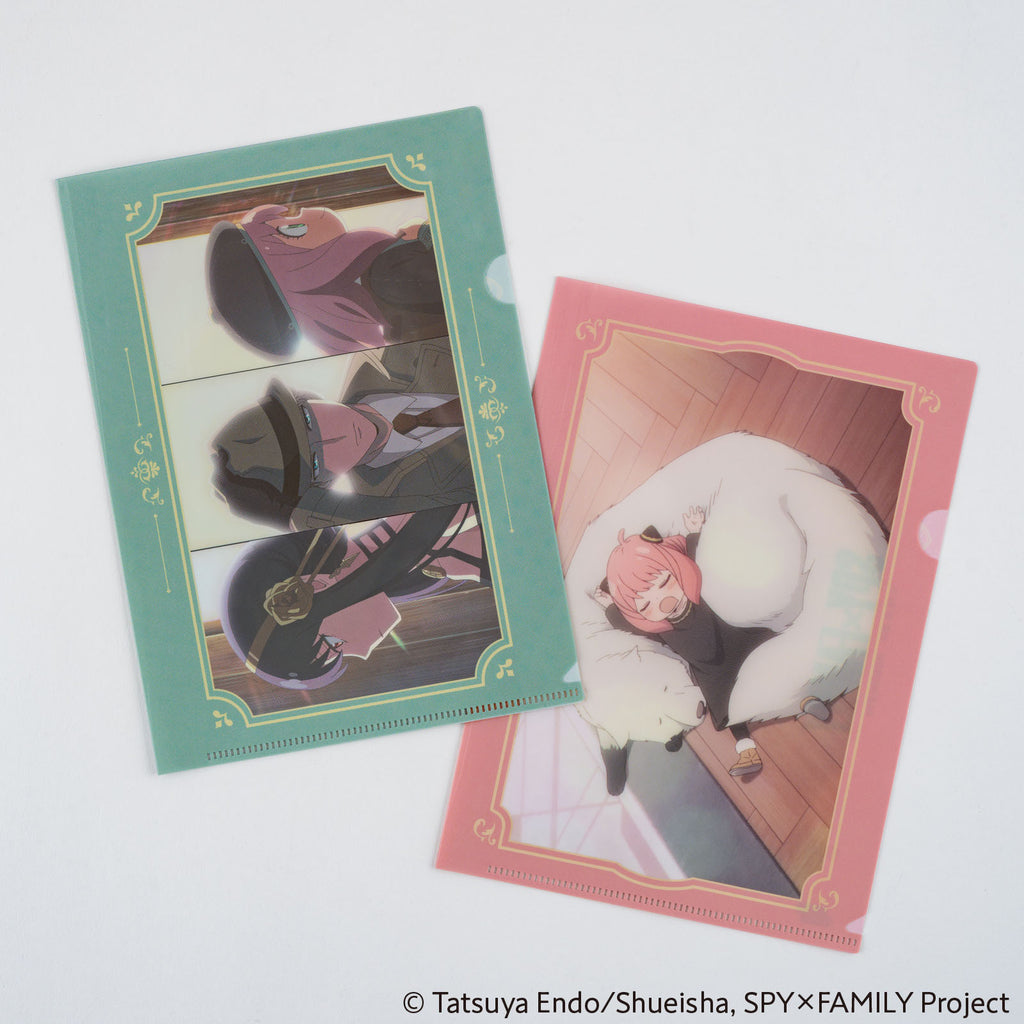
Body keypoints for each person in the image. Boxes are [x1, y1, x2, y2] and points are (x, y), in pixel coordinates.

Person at [211, 340, 476, 530]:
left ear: (308, 398)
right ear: (323, 488)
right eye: (317, 463)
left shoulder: (383, 350)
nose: (335, 437)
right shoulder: (396, 500)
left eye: (309, 421)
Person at [222, 503, 487, 690]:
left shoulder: (417, 501)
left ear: (312, 587)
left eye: (334, 643)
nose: (363, 652)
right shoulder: (439, 563)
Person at [595, 508, 777, 777]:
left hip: (734, 640)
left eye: (666, 583)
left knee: (773, 657)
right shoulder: (658, 628)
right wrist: (610, 607)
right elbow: (626, 623)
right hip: (712, 674)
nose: (664, 602)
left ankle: (804, 697)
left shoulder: (697, 590)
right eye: (645, 605)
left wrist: (694, 531)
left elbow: (696, 557)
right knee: (727, 707)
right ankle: (747, 748)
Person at [205, 204, 447, 357]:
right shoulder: (388, 275)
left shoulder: (391, 322)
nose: (304, 211)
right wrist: (427, 233)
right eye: (291, 228)